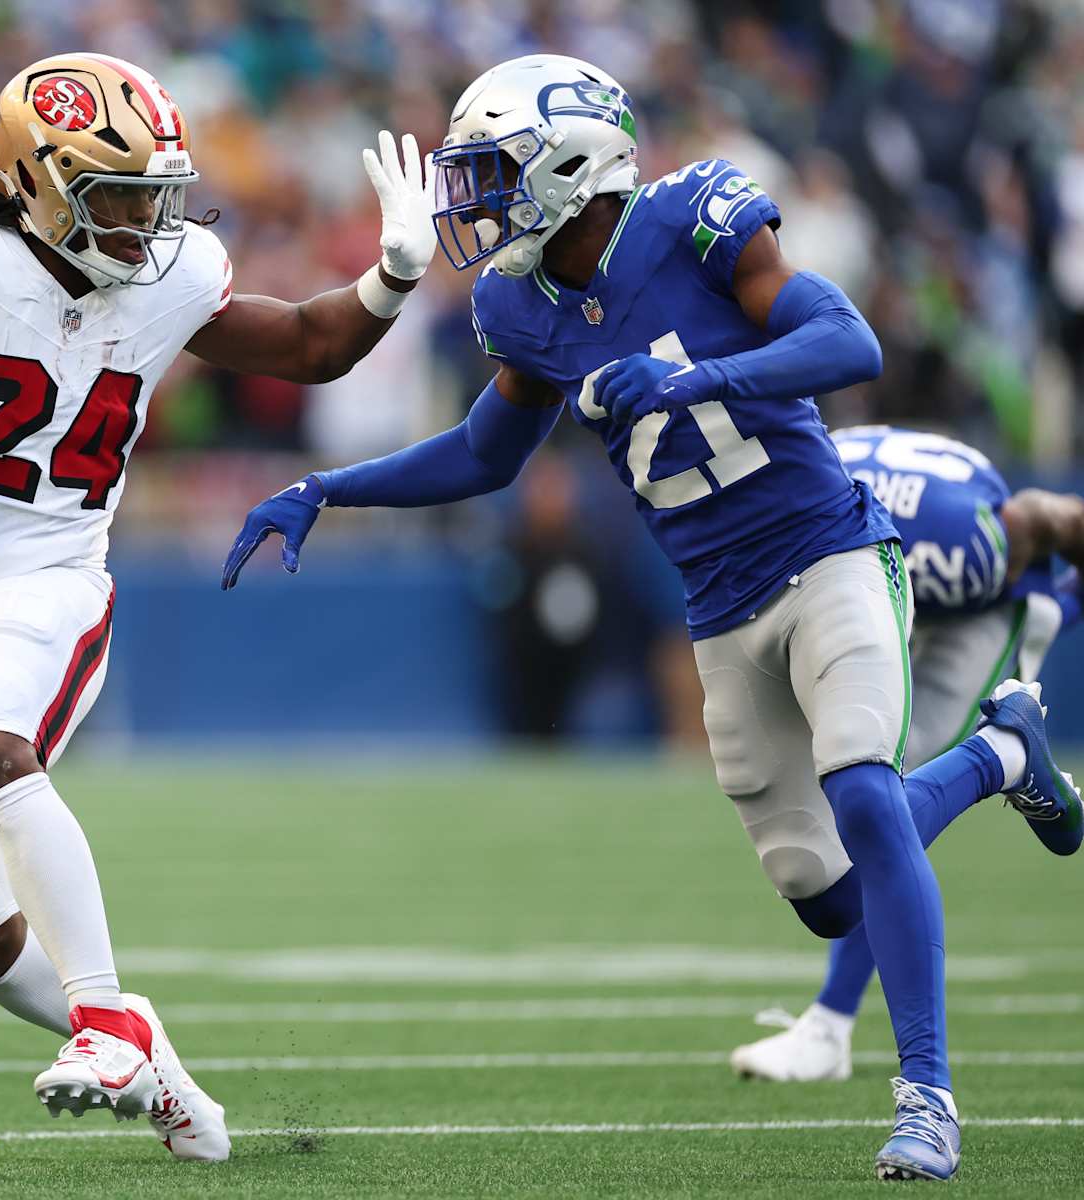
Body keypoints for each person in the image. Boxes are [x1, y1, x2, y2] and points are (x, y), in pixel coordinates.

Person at [220, 54, 1081, 1182]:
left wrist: (697, 382)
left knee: (864, 788)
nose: (474, 203)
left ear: (570, 164)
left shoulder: (693, 219)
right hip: (718, 604)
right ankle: (1003, 751)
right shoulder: (515, 303)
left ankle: (927, 1096)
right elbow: (485, 454)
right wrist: (328, 488)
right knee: (826, 898)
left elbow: (850, 344)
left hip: (829, 547)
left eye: (492, 173)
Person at [0, 53, 436, 1161]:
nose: (137, 221)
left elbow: (308, 343)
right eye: (111, 193)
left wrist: (392, 277)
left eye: (152, 196)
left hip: (53, 571)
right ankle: (142, 1052)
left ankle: (105, 1014)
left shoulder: (170, 273)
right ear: (31, 177)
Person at [731, 424, 1081, 1081]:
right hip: (883, 583)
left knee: (879, 800)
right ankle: (829, 1027)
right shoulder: (790, 490)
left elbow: (1052, 516)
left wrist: (1062, 606)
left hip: (973, 606)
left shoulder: (966, 541)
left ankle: (1007, 754)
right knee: (855, 792)